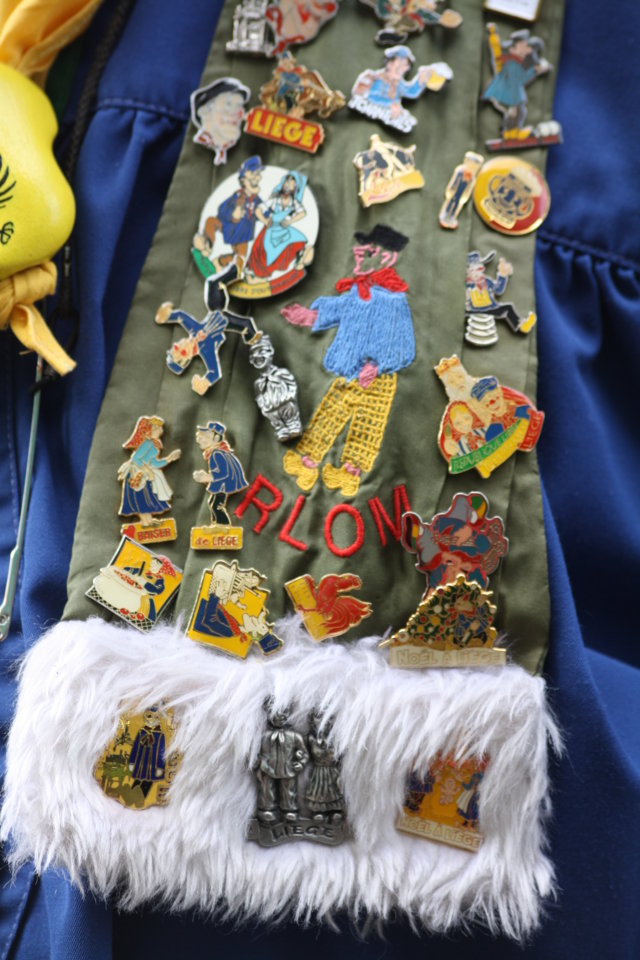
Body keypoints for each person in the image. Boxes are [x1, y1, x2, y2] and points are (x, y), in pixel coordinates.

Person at [282, 224, 414, 497]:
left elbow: (404, 345)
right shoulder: (358, 290)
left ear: (387, 257)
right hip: (349, 370)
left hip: (379, 379)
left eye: (367, 251)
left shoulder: (394, 300)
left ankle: (350, 474)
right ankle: (307, 463)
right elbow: (338, 308)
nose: (358, 254)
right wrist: (310, 316)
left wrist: (378, 365)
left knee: (368, 424)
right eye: (360, 250)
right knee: (331, 412)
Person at [244, 171, 313, 280]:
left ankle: (298, 260)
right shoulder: (275, 200)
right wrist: (265, 221)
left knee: (299, 240)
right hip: (270, 229)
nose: (288, 185)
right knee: (259, 248)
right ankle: (255, 271)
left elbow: (302, 213)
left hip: (284, 230)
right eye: (287, 182)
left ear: (295, 188)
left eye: (292, 184)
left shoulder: (294, 203)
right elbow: (258, 210)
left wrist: (289, 221)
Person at [117, 416, 181, 526]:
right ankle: (145, 522)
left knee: (147, 498)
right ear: (152, 430)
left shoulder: (155, 444)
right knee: (141, 498)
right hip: (137, 475)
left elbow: (154, 463)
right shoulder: (147, 443)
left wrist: (169, 459)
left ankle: (148, 520)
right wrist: (147, 469)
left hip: (144, 474)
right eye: (159, 428)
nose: (161, 430)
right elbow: (136, 458)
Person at [193, 421, 248, 525]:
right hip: (221, 484)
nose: (200, 439)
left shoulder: (217, 454)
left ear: (216, 438)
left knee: (217, 506)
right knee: (212, 503)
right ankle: (216, 524)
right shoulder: (216, 452)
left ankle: (223, 525)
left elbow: (223, 473)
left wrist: (206, 477)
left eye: (206, 437)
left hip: (223, 484)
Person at [190, 77, 250, 165]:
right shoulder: (197, 145)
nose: (238, 113)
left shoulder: (244, 148)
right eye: (228, 104)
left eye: (239, 106)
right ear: (205, 112)